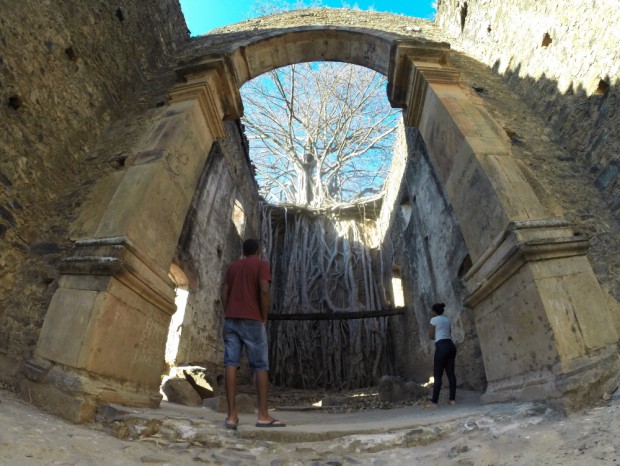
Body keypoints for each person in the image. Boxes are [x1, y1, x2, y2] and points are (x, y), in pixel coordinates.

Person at [220, 238, 285, 429]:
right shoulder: (261, 264)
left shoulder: (232, 267)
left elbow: (223, 292)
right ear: (258, 251)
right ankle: (263, 416)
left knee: (230, 363)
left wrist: (228, 312)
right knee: (260, 366)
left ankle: (231, 416)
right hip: (253, 321)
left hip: (231, 320)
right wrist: (263, 316)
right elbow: (264, 289)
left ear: (243, 251)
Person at [427, 302, 457, 407]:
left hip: (441, 346)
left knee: (438, 375)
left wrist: (437, 337)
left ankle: (434, 402)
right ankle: (452, 400)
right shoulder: (447, 319)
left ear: (434, 311)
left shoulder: (433, 320)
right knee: (451, 373)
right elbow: (448, 332)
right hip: (450, 345)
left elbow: (431, 335)